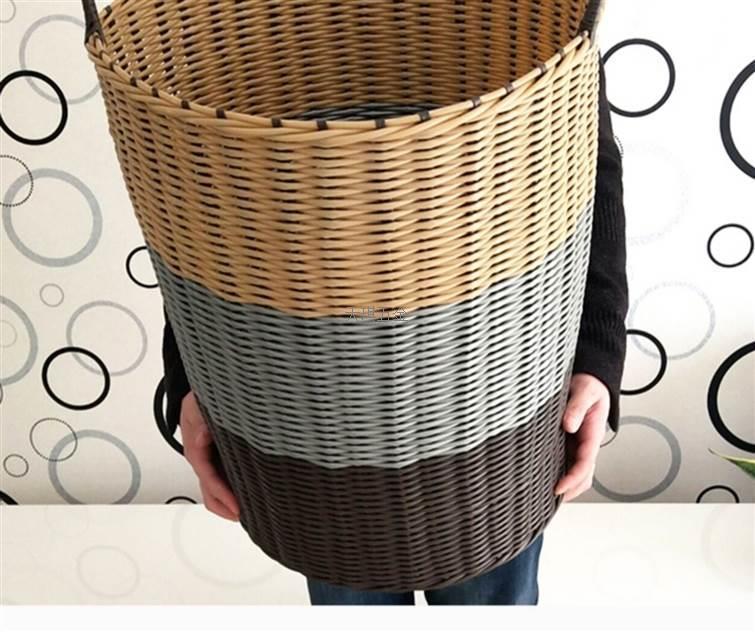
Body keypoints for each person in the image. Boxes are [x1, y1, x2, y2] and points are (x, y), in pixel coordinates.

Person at [161, 55, 628, 606]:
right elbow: (192, 201)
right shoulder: (241, 33)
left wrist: (598, 358)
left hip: (495, 386)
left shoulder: (538, 29)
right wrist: (189, 374)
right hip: (318, 408)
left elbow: (591, 166)